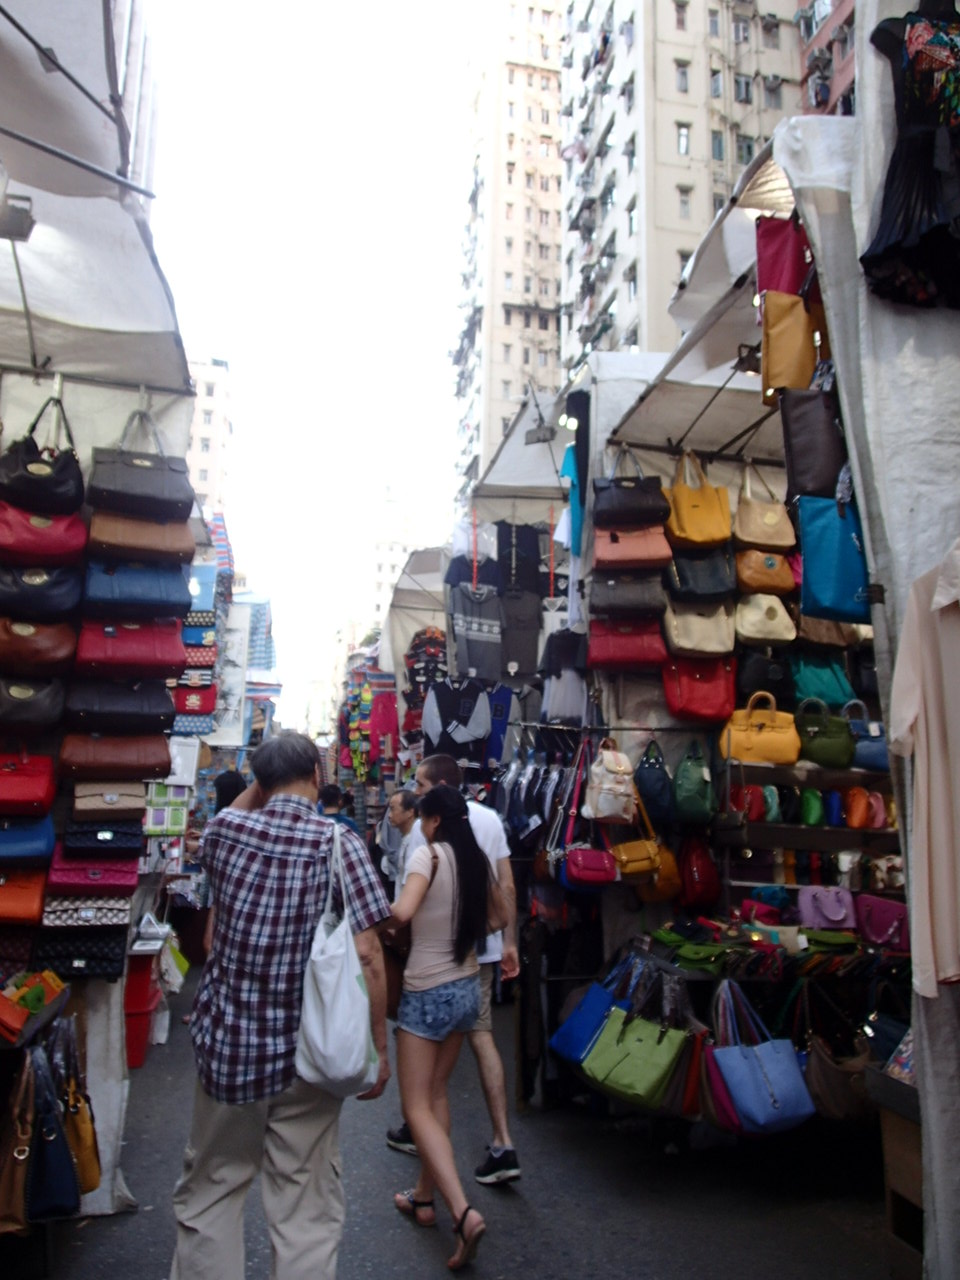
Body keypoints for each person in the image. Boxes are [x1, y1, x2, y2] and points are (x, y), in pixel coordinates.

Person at [170, 732, 391, 1280]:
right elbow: (368, 953)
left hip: (230, 1047)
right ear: (318, 776)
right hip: (308, 1052)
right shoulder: (340, 844)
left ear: (260, 782)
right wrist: (378, 1047)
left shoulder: (224, 832)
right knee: (305, 1205)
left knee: (211, 1191)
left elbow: (239, 809)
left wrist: (261, 784)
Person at [386, 754, 521, 1186]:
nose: (415, 796)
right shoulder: (486, 828)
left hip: (429, 971)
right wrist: (506, 942)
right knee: (477, 1044)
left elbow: (404, 910)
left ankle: (447, 1190)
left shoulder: (427, 846)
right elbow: (505, 898)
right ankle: (500, 1141)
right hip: (473, 964)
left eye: (421, 788)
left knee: (422, 1091)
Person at [389, 784, 490, 1269]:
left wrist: (370, 914)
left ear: (431, 820)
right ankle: (424, 1197)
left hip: (427, 988)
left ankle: (462, 1211)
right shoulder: (475, 860)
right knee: (436, 1095)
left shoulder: (426, 857)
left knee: (415, 1105)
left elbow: (402, 913)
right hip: (466, 985)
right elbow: (500, 915)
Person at [381, 788, 418, 886]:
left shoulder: (414, 842)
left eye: (393, 809)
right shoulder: (405, 839)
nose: (389, 815)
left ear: (410, 812)